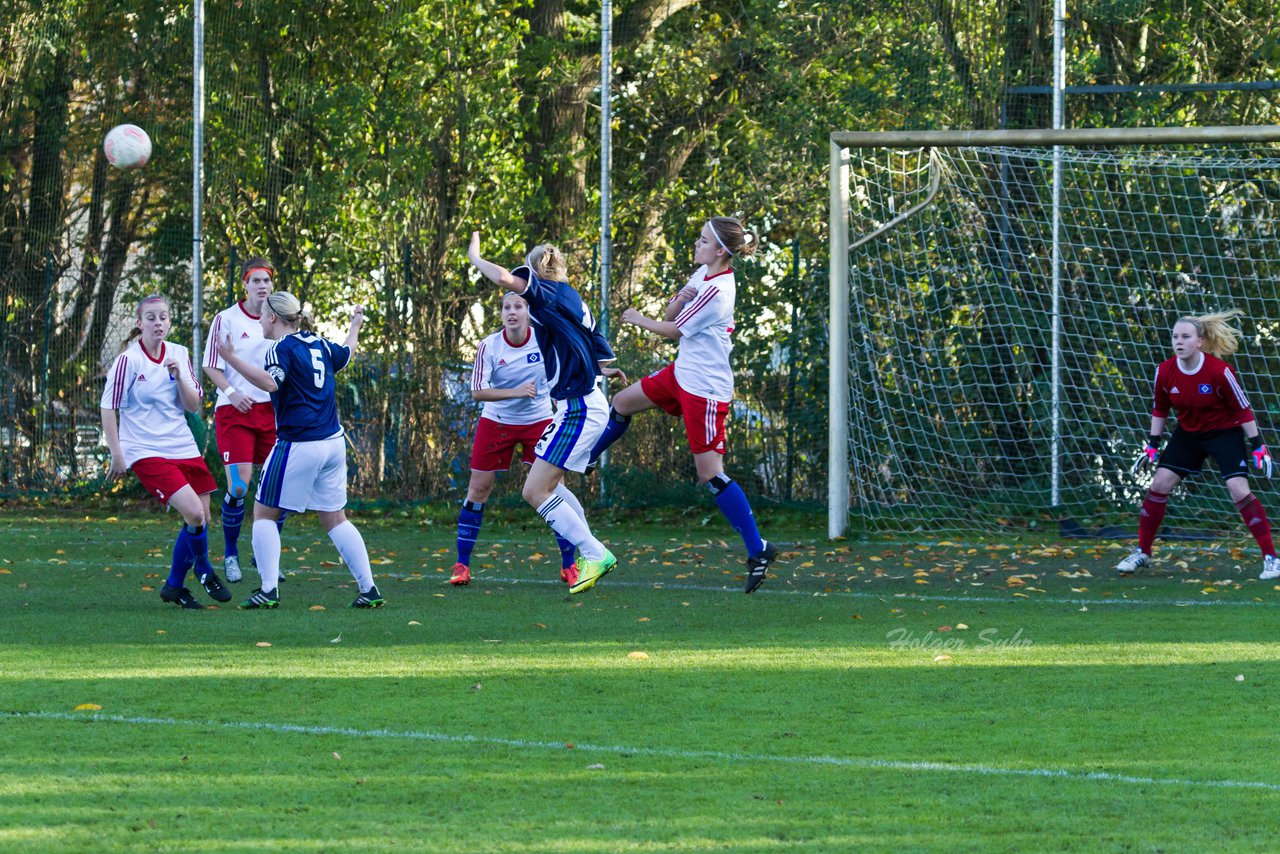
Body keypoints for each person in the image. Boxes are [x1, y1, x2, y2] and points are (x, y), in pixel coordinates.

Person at [587, 217, 778, 593]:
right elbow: (674, 312)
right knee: (622, 402)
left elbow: (672, 330)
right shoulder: (702, 275)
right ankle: (587, 457)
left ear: (721, 251)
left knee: (709, 473)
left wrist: (640, 319)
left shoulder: (720, 290)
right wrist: (677, 298)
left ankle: (758, 549)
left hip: (704, 388)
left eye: (703, 240)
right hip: (681, 373)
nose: (697, 243)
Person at [468, 231, 626, 595]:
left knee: (534, 491)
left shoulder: (546, 294)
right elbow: (590, 343)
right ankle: (590, 551)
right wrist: (604, 369)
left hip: (578, 408)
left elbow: (507, 280)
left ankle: (593, 552)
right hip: (582, 403)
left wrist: (476, 259)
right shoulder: (571, 297)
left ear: (535, 274)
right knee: (549, 485)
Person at [215, 291, 384, 609]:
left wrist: (232, 359)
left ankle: (268, 590)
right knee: (336, 519)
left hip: (299, 444)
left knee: (263, 513)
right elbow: (346, 353)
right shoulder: (317, 342)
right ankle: (369, 588)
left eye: (263, 315)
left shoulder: (281, 348)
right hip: (333, 444)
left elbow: (270, 383)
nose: (260, 320)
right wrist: (355, 325)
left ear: (274, 318)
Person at [1118, 309, 1278, 578]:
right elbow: (1160, 409)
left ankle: (1272, 558)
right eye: (1175, 337)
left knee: (1238, 489)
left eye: (1185, 337)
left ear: (1200, 341)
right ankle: (1142, 552)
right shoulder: (1165, 371)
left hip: (1224, 434)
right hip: (1188, 435)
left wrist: (1258, 445)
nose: (1178, 342)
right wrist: (1152, 444)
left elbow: (1243, 409)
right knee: (1159, 484)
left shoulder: (1220, 371)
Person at [100, 294, 232, 609]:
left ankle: (174, 586)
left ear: (169, 321)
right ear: (139, 323)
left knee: (202, 519)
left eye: (163, 317)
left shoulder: (179, 354)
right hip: (145, 450)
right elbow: (108, 406)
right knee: (195, 514)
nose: (158, 323)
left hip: (181, 445)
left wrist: (178, 377)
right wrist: (117, 453)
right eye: (151, 317)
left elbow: (193, 405)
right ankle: (203, 568)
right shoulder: (128, 360)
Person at [450, 291, 583, 588]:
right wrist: (516, 391)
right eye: (507, 307)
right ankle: (462, 565)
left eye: (518, 306)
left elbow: (575, 363)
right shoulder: (489, 346)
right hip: (496, 421)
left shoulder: (545, 338)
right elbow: (477, 392)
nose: (512, 312)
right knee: (478, 488)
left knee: (554, 489)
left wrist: (603, 369)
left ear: (527, 311)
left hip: (539, 421)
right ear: (501, 314)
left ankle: (569, 565)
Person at [202, 257, 284, 583]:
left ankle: (266, 557)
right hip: (234, 412)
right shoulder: (226, 319)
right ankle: (231, 554)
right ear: (245, 284)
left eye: (267, 280)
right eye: (256, 281)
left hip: (272, 414)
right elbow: (211, 365)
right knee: (239, 486)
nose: (262, 286)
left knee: (279, 489)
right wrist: (232, 391)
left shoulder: (279, 319)